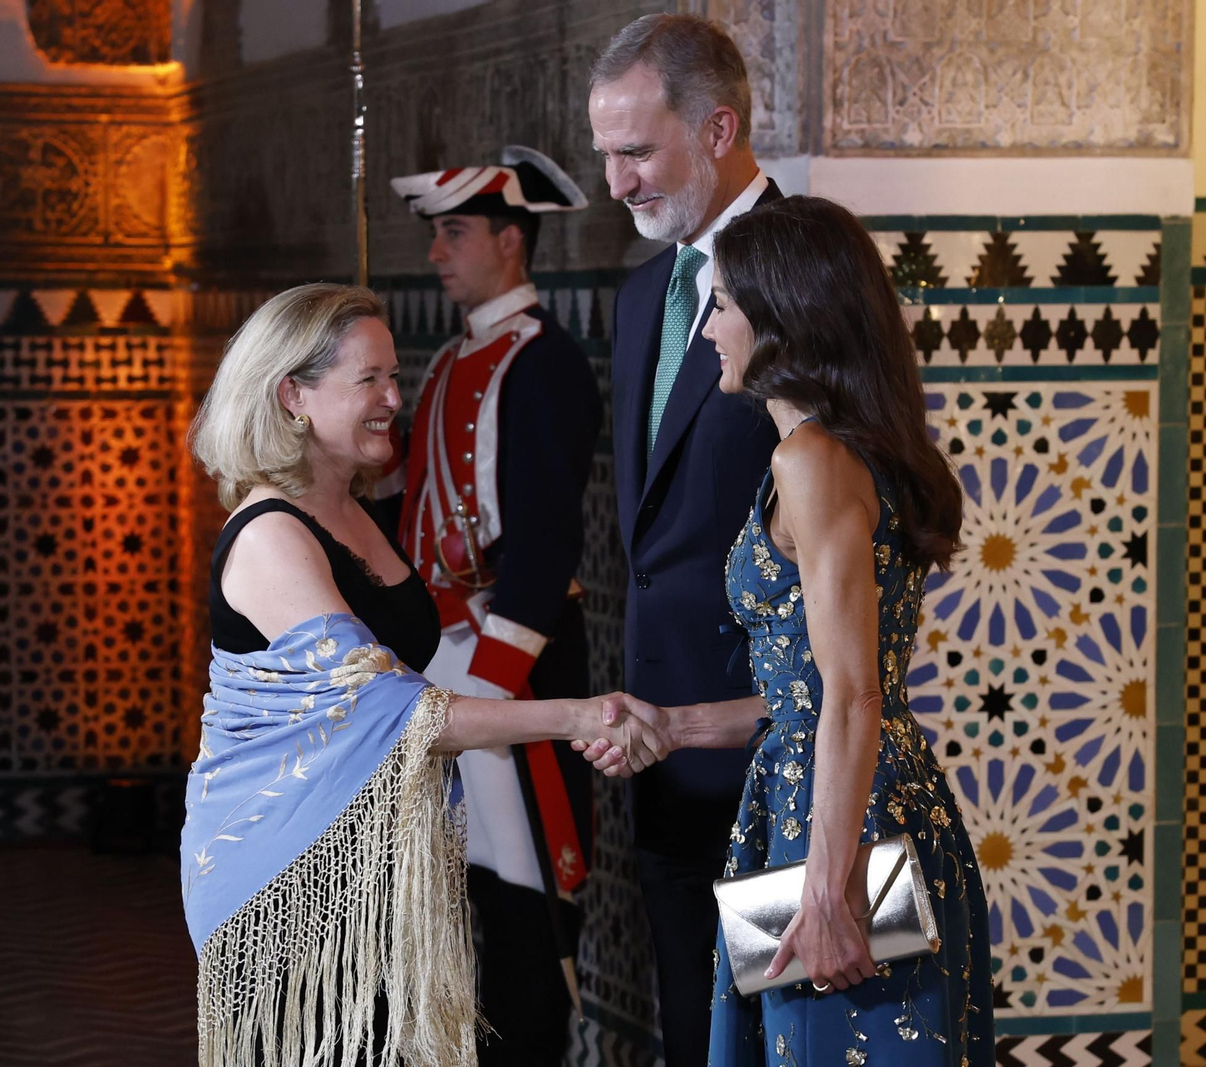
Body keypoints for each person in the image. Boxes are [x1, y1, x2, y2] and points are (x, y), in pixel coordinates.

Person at [179, 283, 659, 1067]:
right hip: (286, 875)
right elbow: (400, 714)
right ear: (292, 395)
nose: (393, 400)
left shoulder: (355, 510)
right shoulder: (270, 535)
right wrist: (578, 715)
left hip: (377, 863)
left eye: (394, 377)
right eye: (369, 380)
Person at [581, 197, 995, 1066]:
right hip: (840, 804)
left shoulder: (809, 459)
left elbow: (853, 693)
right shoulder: (840, 450)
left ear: (781, 319)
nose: (709, 330)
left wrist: (829, 895)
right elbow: (807, 689)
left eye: (725, 305)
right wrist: (677, 726)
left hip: (840, 828)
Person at [587, 15, 782, 1062]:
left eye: (636, 151)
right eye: (604, 154)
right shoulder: (639, 296)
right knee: (698, 1040)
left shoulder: (810, 273)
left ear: (717, 130)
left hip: (784, 765)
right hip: (663, 762)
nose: (616, 182)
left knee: (795, 1033)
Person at [386, 146, 602, 1065]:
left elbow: (546, 541)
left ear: (511, 241)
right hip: (442, 659)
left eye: (456, 233)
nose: (438, 252)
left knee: (524, 904)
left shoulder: (543, 363)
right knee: (459, 893)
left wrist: (493, 686)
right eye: (437, 234)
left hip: (508, 667)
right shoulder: (451, 357)